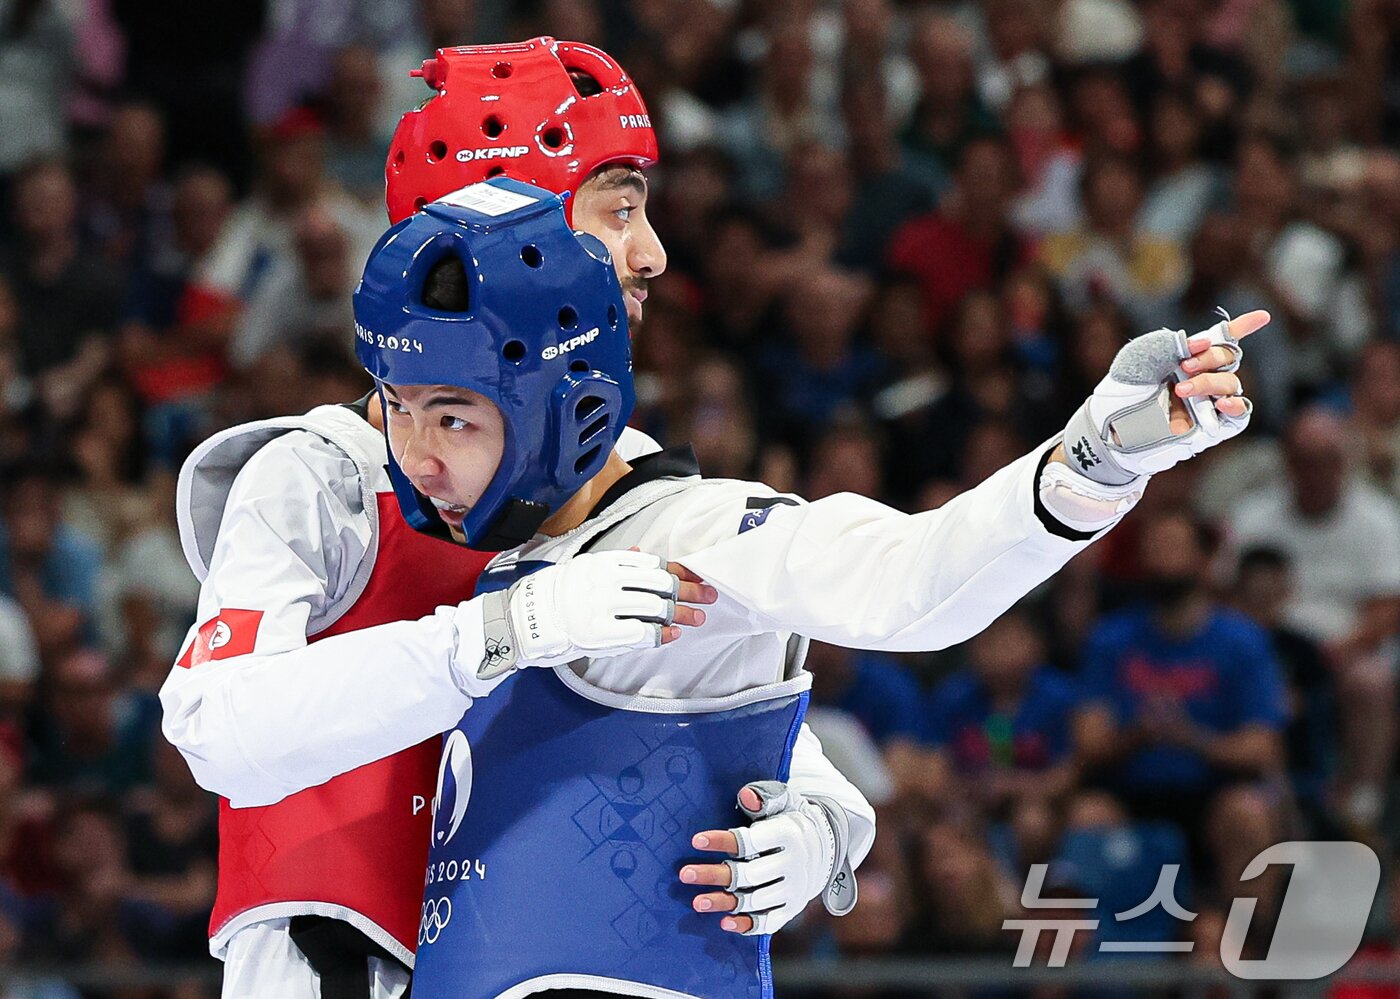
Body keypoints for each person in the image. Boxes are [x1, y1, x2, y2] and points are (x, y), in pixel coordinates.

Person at [335, 176, 1265, 997]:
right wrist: (826, 825)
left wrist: (1091, 459)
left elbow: (912, 580)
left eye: (450, 419)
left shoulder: (687, 533)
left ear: (550, 403)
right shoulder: (456, 563)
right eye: (399, 411)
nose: (415, 456)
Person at [161, 38, 875, 999]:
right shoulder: (321, 478)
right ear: (501, 216)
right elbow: (211, 724)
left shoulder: (612, 487)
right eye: (619, 207)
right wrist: (491, 635)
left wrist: (823, 827)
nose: (654, 253)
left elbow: (761, 730)